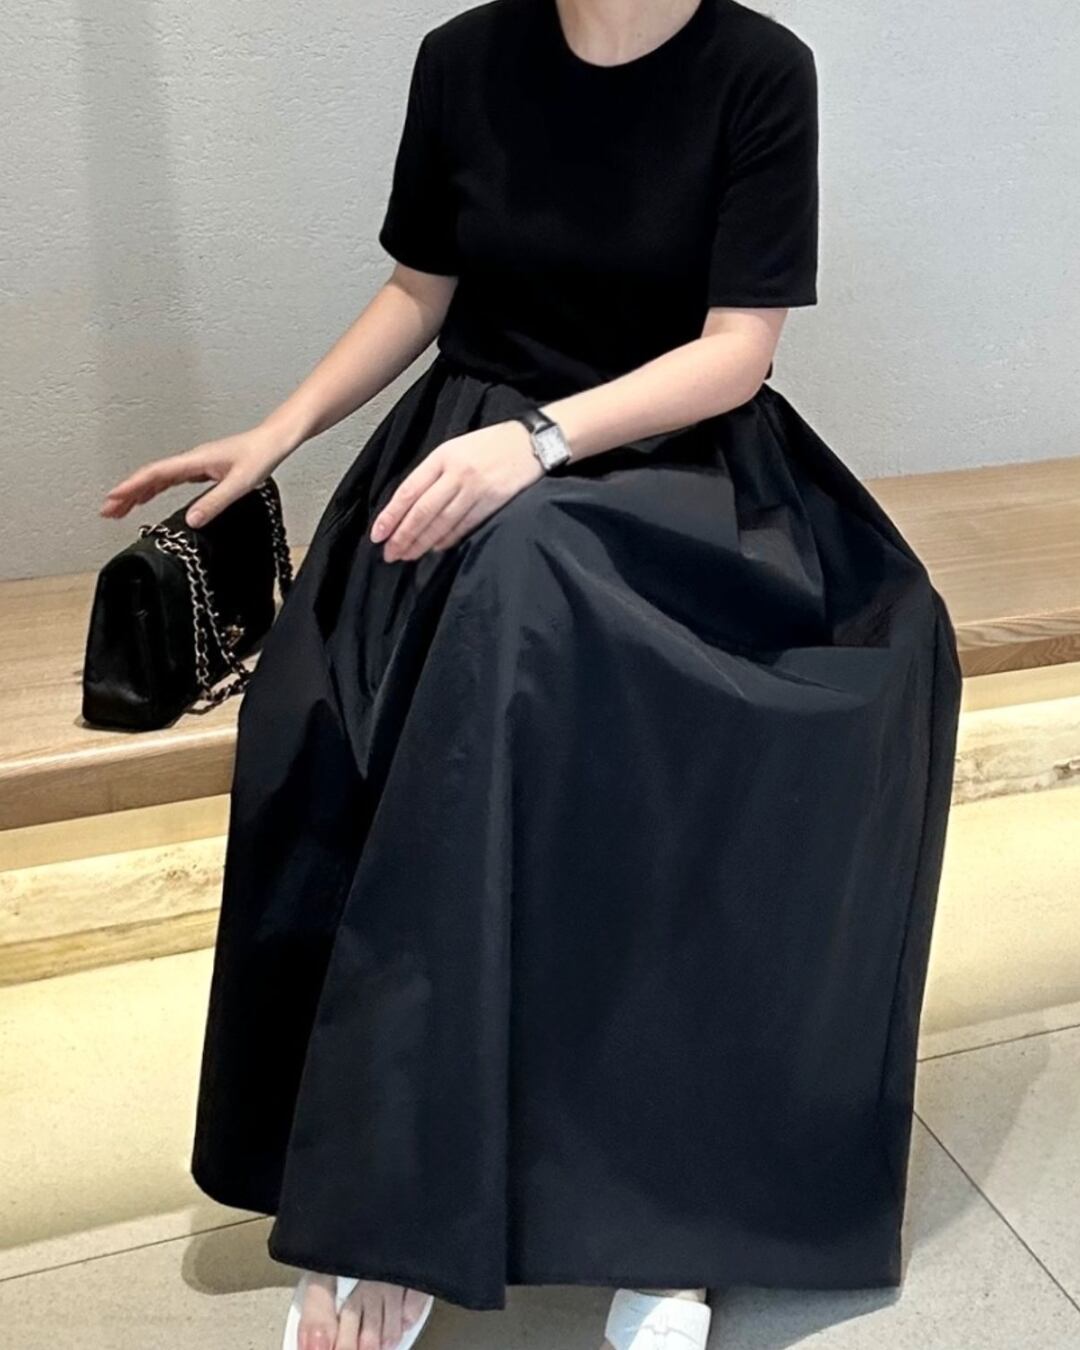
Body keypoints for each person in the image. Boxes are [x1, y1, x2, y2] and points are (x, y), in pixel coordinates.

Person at [100, 1, 964, 1348]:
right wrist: (277, 432)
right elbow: (421, 290)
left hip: (671, 473)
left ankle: (657, 1214)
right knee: (325, 704)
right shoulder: (464, 58)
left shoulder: (757, 70)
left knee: (582, 673)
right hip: (465, 459)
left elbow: (737, 350)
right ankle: (380, 1188)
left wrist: (545, 444)